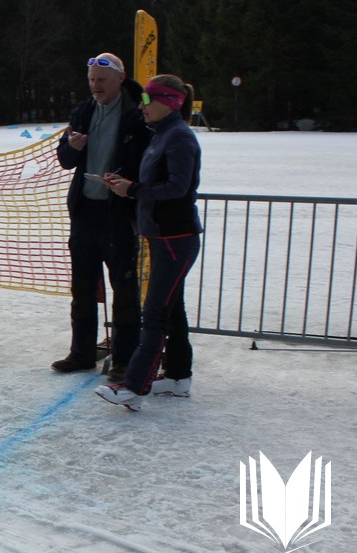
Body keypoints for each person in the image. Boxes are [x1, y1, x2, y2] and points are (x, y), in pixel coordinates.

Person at [95, 74, 203, 411]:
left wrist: (133, 189)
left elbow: (177, 187)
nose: (141, 106)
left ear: (169, 102)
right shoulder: (162, 134)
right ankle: (178, 377)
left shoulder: (179, 137)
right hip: (160, 235)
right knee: (172, 310)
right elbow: (156, 182)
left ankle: (134, 386)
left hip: (175, 238)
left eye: (146, 99)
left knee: (154, 314)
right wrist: (126, 183)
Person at [52, 52, 151, 381]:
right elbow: (65, 159)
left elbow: (150, 160)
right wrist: (74, 148)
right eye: (92, 80)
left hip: (119, 212)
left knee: (123, 287)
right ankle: (81, 353)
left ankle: (124, 358)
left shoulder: (138, 112)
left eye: (102, 80)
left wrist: (129, 184)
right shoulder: (83, 110)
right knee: (82, 286)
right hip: (85, 212)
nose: (96, 86)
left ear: (120, 79)